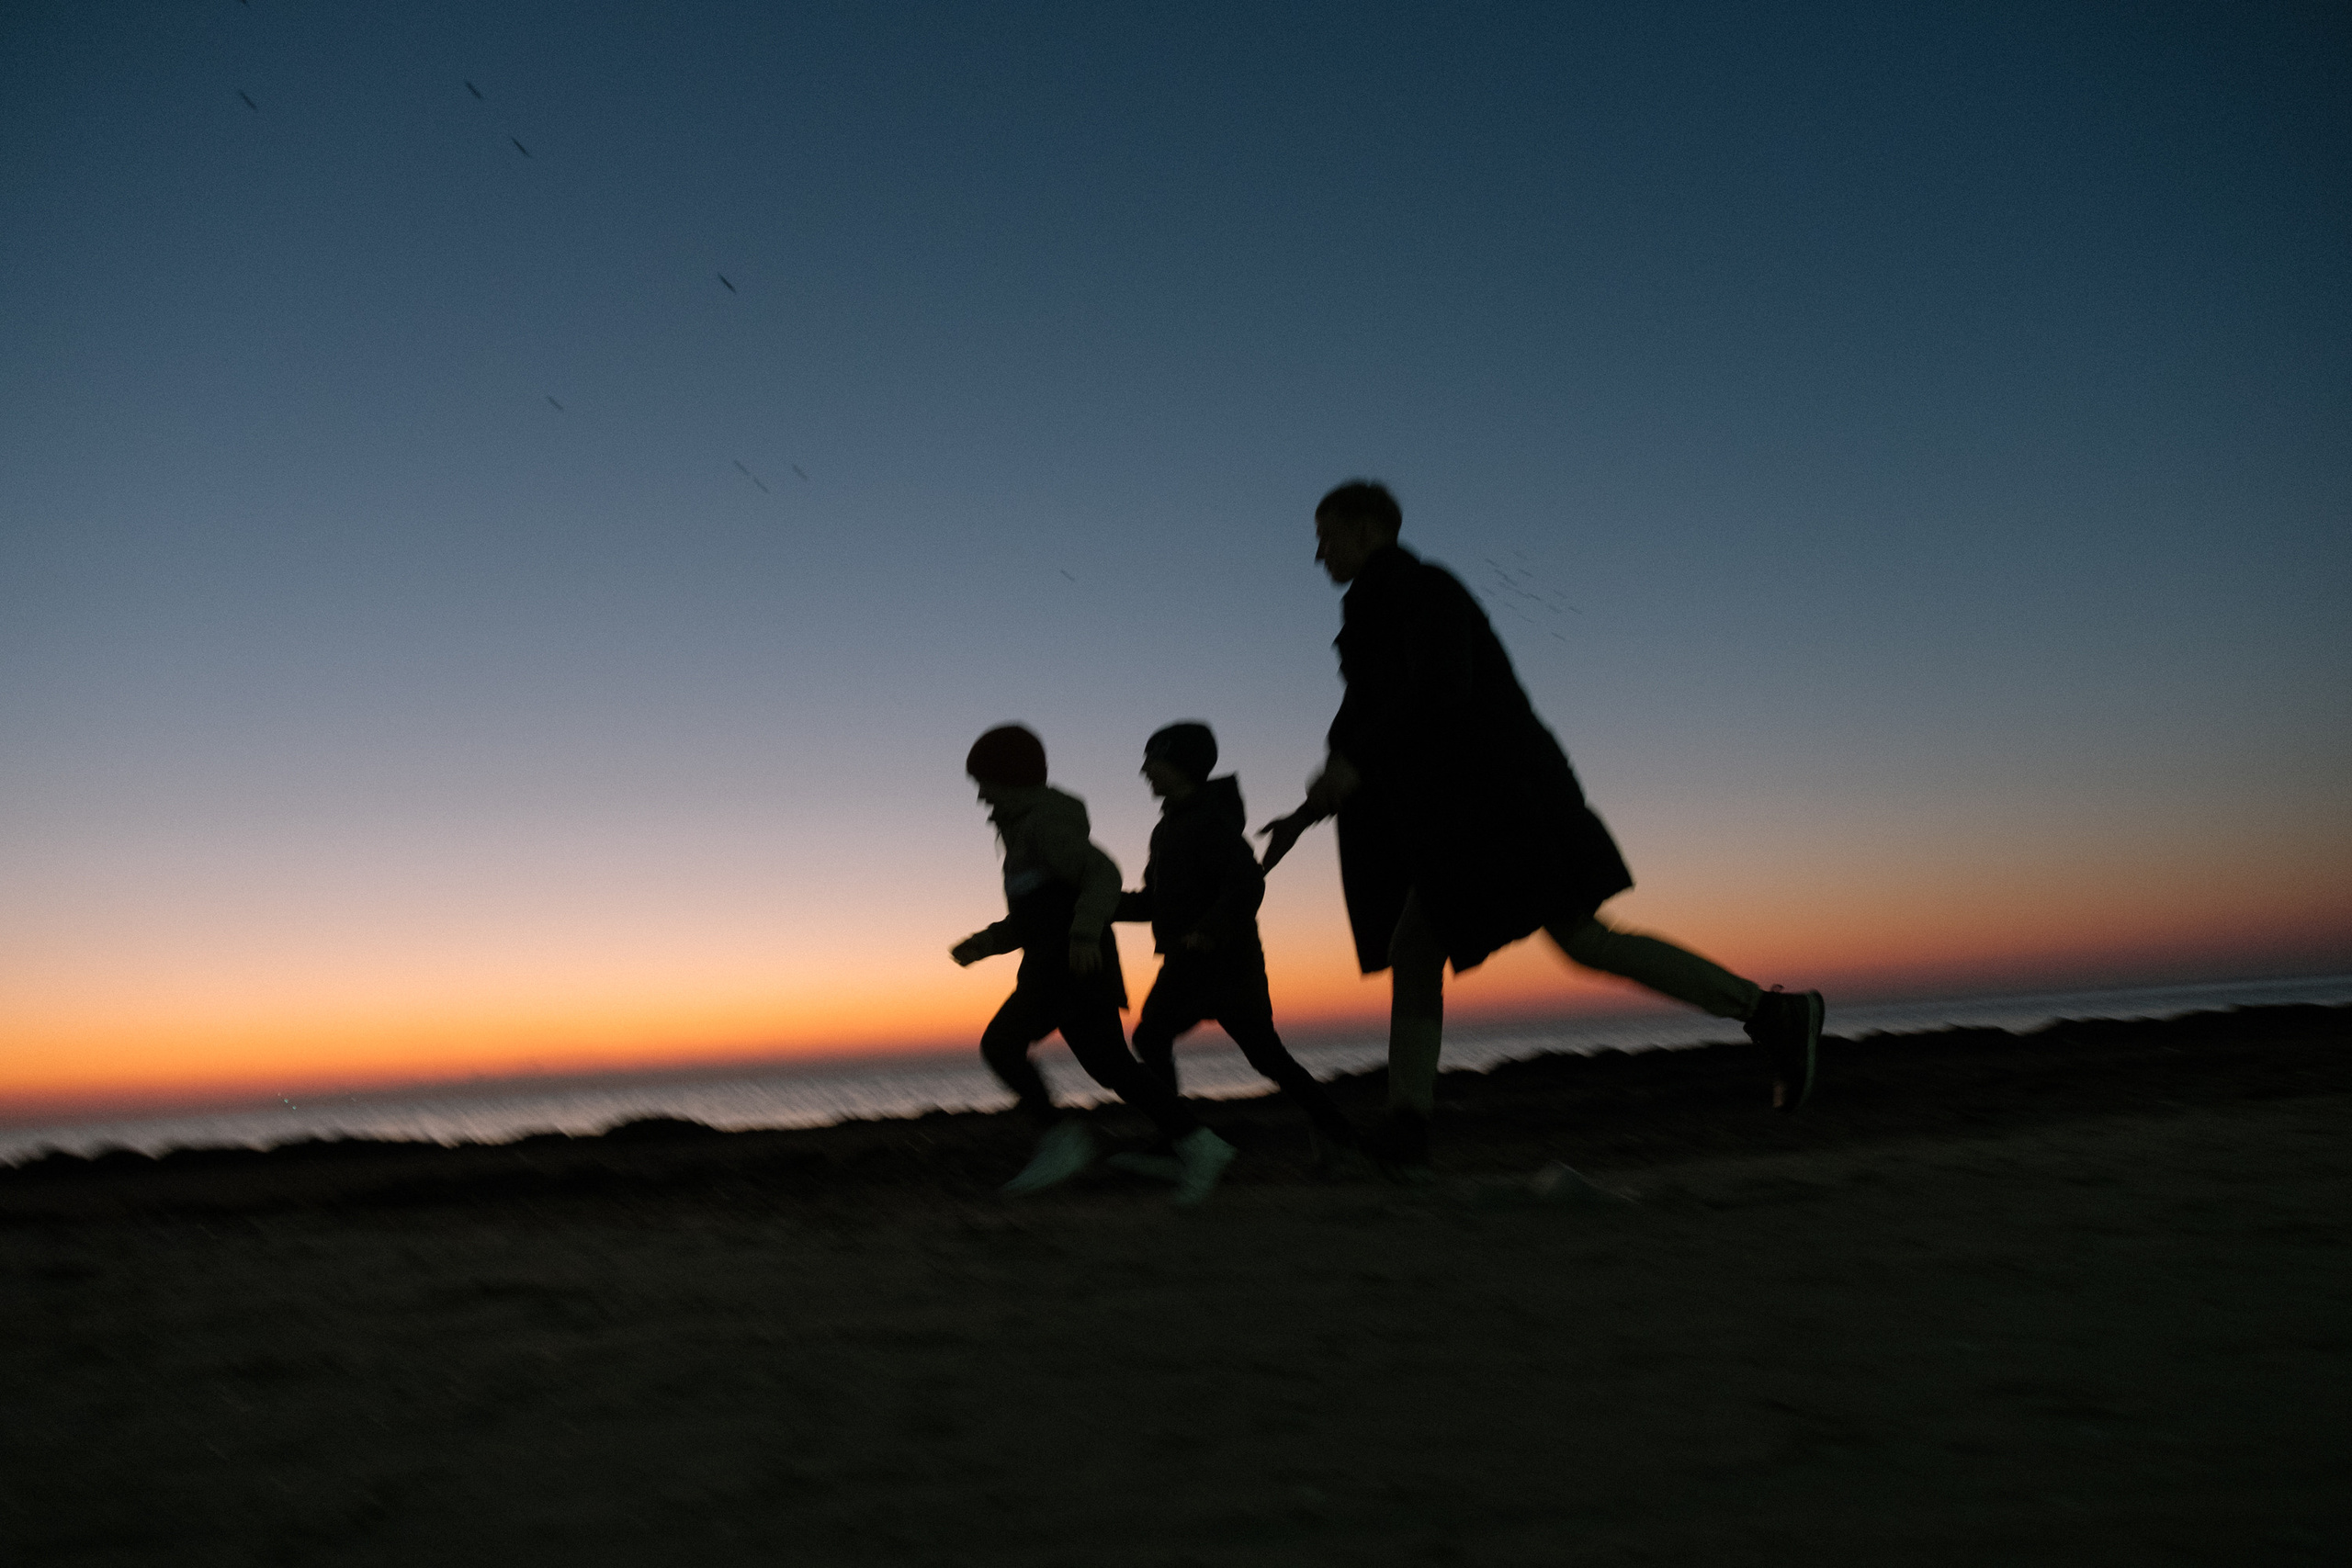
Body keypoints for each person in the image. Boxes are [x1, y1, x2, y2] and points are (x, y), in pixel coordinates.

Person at [1259, 481, 1824, 1173]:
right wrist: (1304, 814)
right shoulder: (1375, 612)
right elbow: (1362, 730)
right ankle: (1407, 1127)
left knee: (1574, 938)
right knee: (1451, 945)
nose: (1317, 551)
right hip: (1477, 811)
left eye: (1326, 533)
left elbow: (1440, 690)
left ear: (1370, 529)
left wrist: (1350, 770)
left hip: (1504, 804)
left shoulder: (1421, 590)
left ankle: (1771, 1016)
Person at [950, 723, 1238, 1204]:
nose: (980, 797)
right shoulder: (1023, 832)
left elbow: (1100, 873)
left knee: (1004, 1045)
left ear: (1011, 780)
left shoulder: (1045, 824)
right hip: (1051, 968)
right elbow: (1038, 914)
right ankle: (1199, 1145)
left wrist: (1085, 933)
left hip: (1075, 969)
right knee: (1112, 1067)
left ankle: (1065, 1138)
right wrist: (984, 944)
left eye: (985, 784)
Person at [1109, 722, 1366, 1177]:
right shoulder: (1169, 827)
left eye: (1155, 760)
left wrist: (1208, 931)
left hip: (1226, 961)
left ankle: (1183, 1142)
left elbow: (1247, 883)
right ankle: (1183, 1140)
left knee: (1256, 1054)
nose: (1145, 769)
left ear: (1182, 765)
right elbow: (1156, 902)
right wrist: (1100, 907)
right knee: (1164, 1039)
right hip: (1191, 961)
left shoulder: (1209, 819)